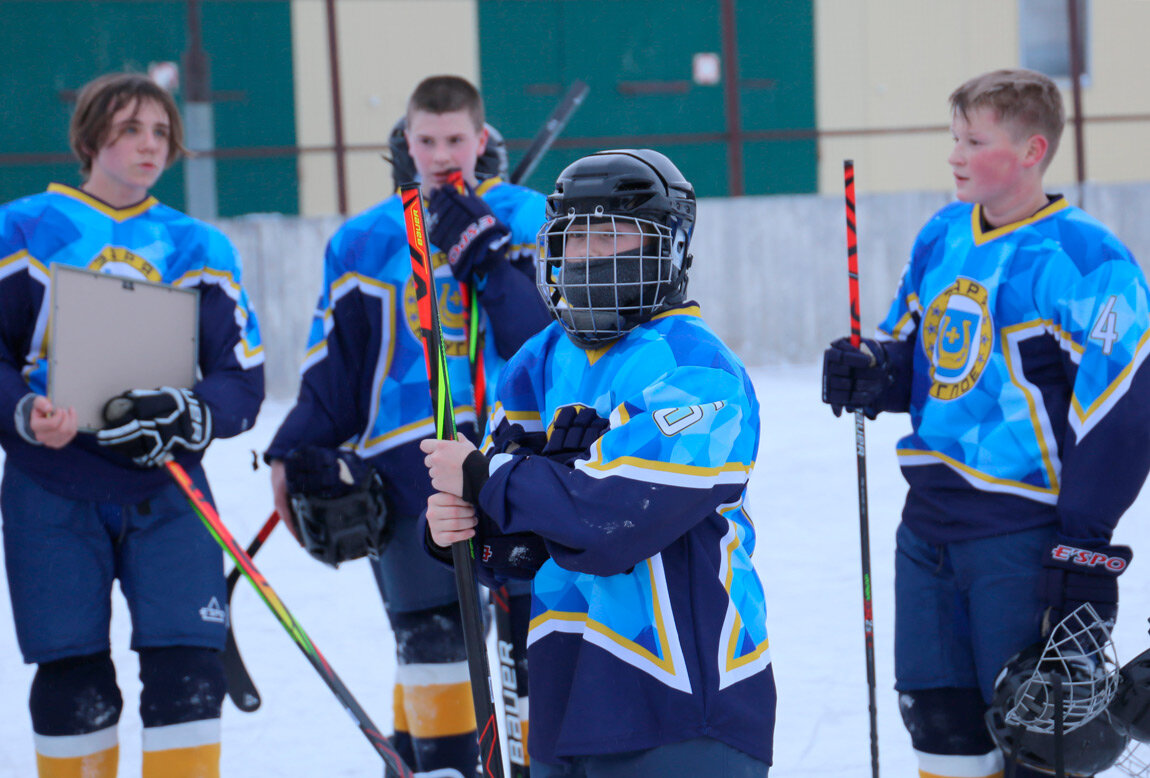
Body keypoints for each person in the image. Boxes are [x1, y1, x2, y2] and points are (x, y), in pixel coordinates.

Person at [822, 68, 1150, 778]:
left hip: (1022, 540)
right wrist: (871, 371)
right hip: (927, 531)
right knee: (939, 726)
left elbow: (1121, 415)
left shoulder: (1087, 261)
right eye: (955, 138)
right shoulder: (943, 235)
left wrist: (1083, 548)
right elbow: (923, 359)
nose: (955, 155)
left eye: (974, 141)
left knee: (1040, 738)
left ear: (1032, 150)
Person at [420, 149, 775, 777]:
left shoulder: (697, 367)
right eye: (575, 236)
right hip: (566, 696)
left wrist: (488, 478)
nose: (588, 254)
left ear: (667, 246)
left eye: (611, 234)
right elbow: (521, 542)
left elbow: (612, 521)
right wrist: (463, 529)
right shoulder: (539, 361)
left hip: (681, 705)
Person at [265, 74, 550, 777]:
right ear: (405, 141)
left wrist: (486, 253)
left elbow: (548, 345)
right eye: (427, 140)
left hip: (516, 458)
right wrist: (291, 450)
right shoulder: (362, 240)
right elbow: (335, 366)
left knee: (533, 648)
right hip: (404, 469)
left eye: (455, 139)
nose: (442, 154)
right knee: (431, 645)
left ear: (481, 140)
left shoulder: (530, 216)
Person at [0, 72, 265, 777]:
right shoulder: (21, 229)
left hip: (168, 488)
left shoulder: (198, 244)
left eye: (160, 131)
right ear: (90, 138)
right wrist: (24, 412)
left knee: (190, 677)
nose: (150, 144)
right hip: (50, 487)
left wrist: (197, 411)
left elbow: (242, 377)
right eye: (130, 129)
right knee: (73, 685)